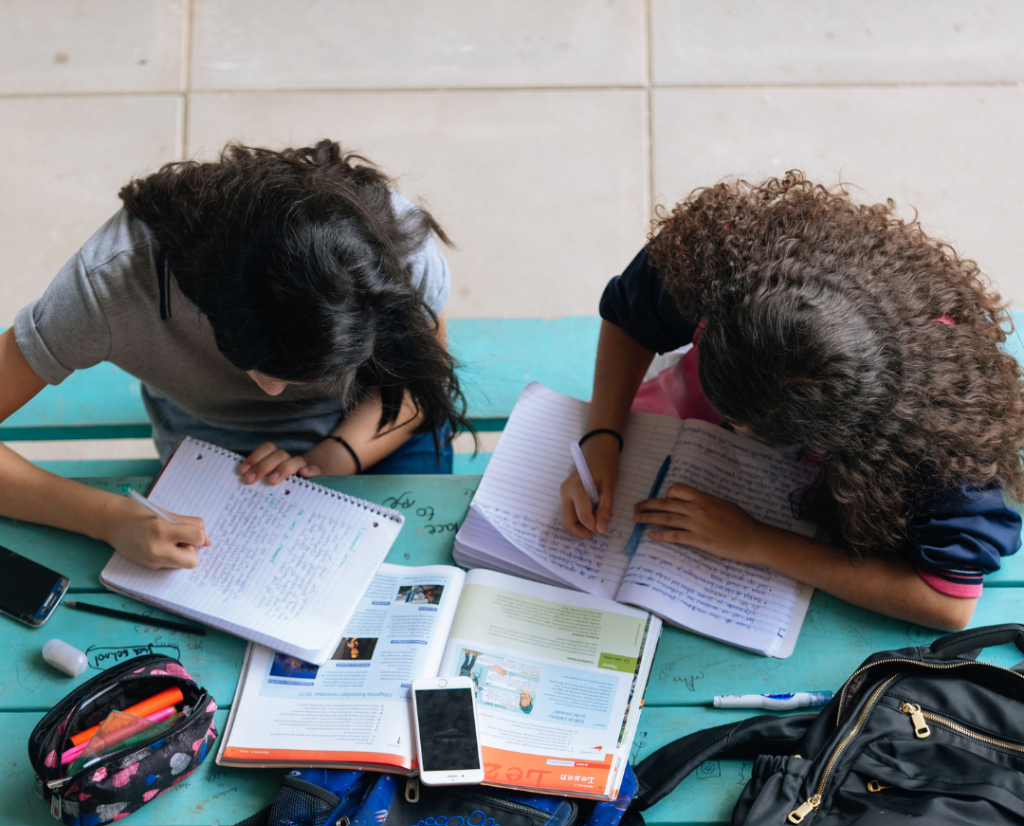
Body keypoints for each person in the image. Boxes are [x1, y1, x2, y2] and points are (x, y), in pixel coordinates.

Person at [561, 172, 1024, 632]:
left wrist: (756, 542)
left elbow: (949, 603)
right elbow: (630, 316)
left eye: (756, 431)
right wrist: (602, 432)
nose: (735, 431)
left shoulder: (944, 428)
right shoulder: (729, 258)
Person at [0, 140, 469, 570]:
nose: (271, 390)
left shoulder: (399, 251)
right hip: (218, 454)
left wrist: (332, 457)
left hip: (374, 428)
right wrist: (108, 518)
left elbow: (418, 385)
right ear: (206, 299)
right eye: (256, 363)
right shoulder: (115, 281)